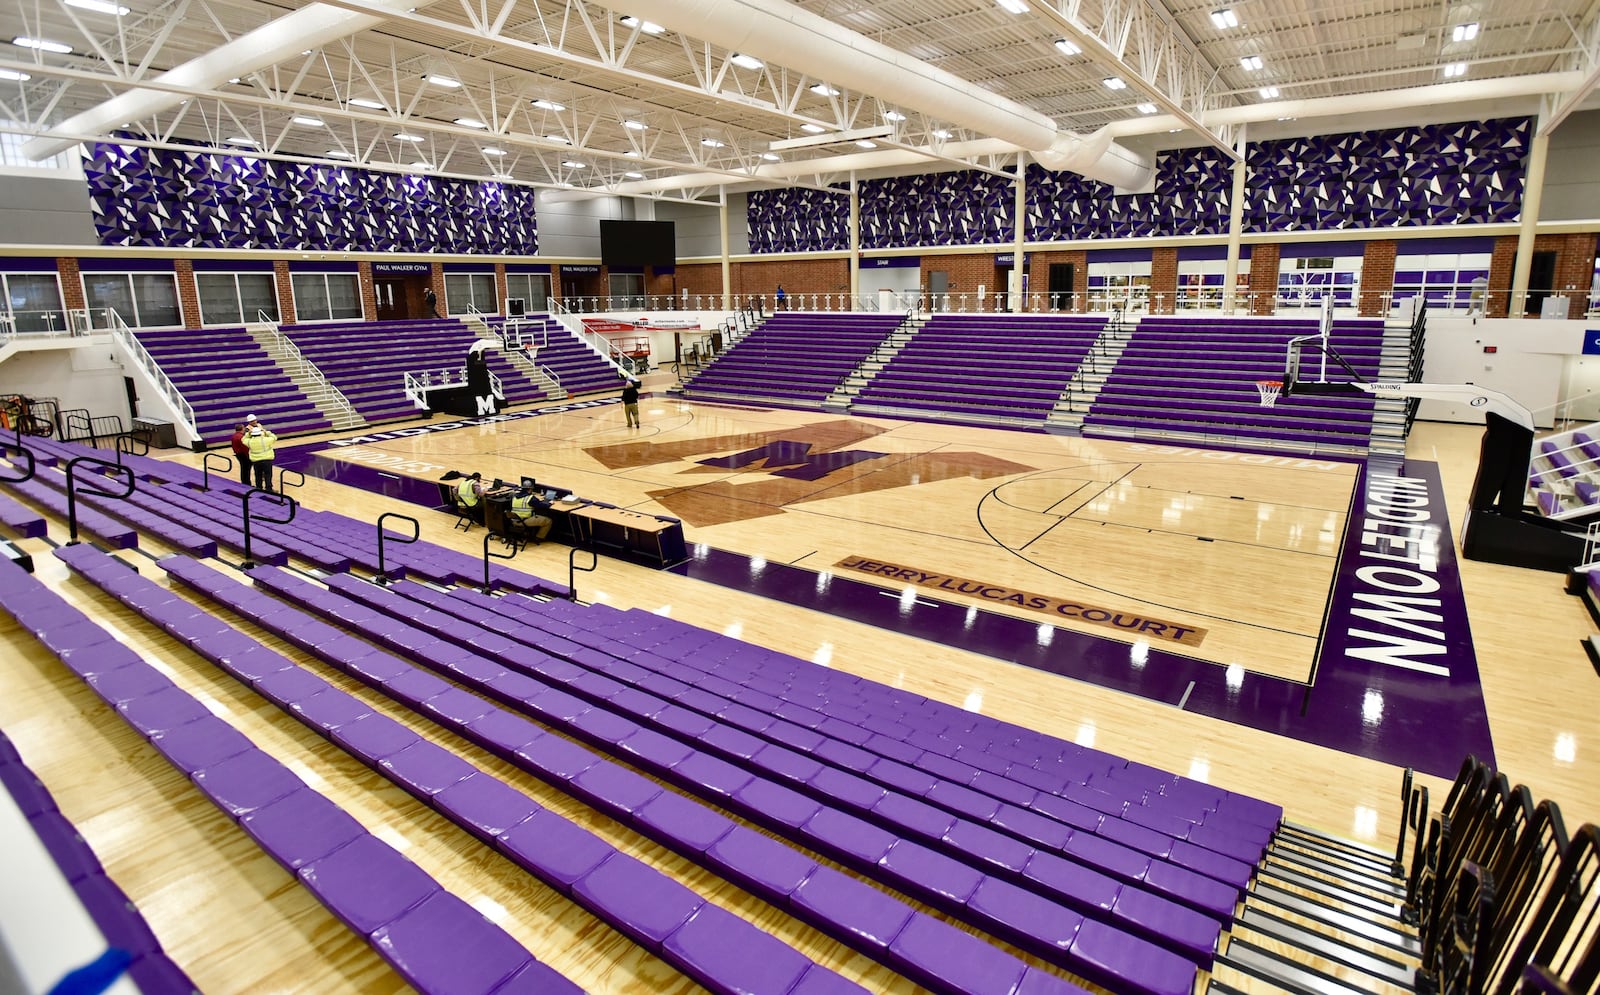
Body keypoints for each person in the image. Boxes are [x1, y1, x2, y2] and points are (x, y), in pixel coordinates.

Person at [242, 414, 277, 492]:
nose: (254, 422)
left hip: (256, 459)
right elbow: (274, 437)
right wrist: (266, 432)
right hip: (266, 458)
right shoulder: (265, 440)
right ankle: (268, 489)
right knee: (267, 475)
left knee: (258, 475)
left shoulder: (250, 441)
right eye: (252, 421)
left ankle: (259, 488)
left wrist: (249, 434)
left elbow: (243, 440)